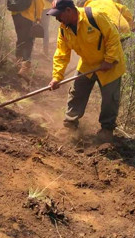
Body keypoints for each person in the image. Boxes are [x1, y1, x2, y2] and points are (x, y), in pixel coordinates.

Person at [47, 0, 125, 143]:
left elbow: (113, 37)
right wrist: (57, 77)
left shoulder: (95, 16)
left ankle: (107, 130)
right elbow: (61, 53)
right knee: (77, 92)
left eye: (59, 15)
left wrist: (109, 59)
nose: (57, 19)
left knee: (109, 99)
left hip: (110, 65)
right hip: (88, 64)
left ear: (69, 11)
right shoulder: (64, 29)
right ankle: (69, 125)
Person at [9, 0, 46, 78]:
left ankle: (18, 63)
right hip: (27, 15)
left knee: (20, 38)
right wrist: (38, 17)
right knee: (28, 41)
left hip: (15, 13)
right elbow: (39, 2)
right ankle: (24, 67)